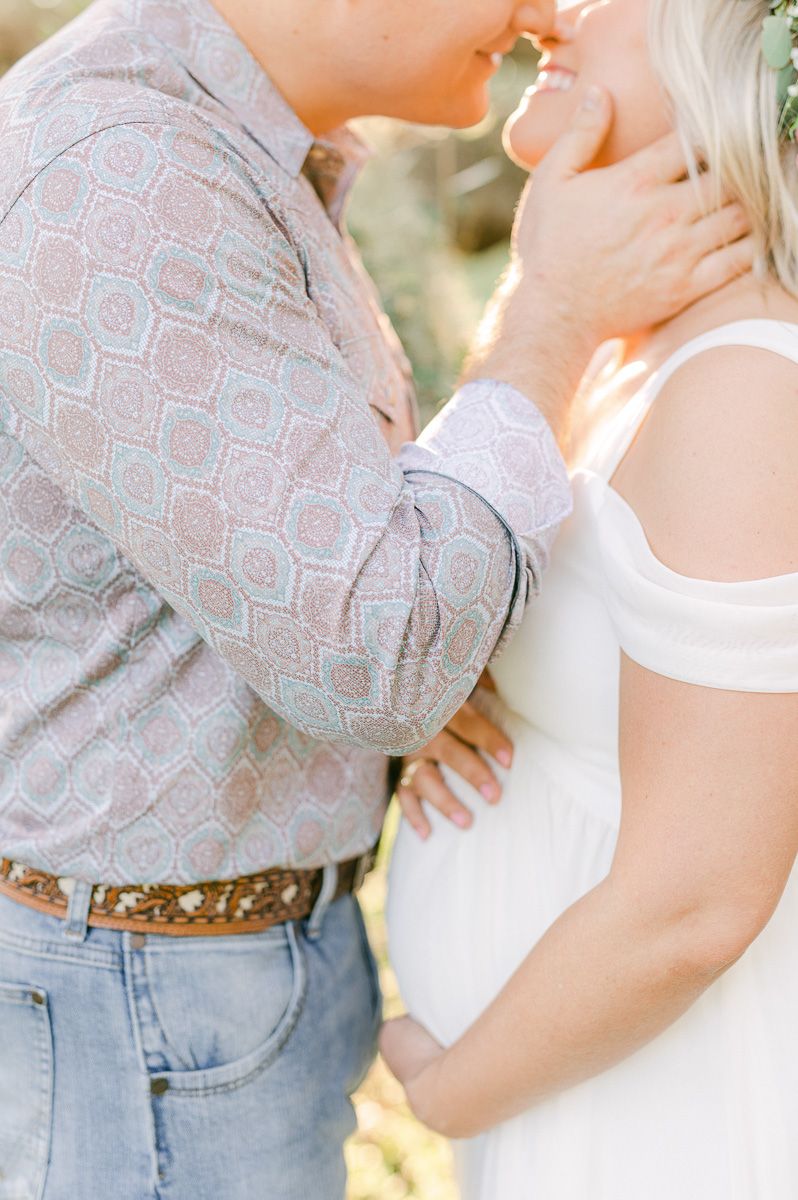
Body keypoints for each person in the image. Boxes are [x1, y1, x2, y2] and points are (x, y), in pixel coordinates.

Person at [0, 0, 752, 1194]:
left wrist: (421, 620)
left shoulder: (228, 149)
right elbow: (371, 653)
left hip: (186, 986)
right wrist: (548, 313)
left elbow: (310, 572)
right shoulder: (130, 177)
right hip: (141, 1003)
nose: (538, 11)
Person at [383, 1, 798, 1196]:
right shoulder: (641, 347)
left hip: (670, 1123)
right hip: (586, 1100)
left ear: (732, 49)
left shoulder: (745, 392)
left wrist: (450, 1084)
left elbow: (696, 903)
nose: (550, 10)